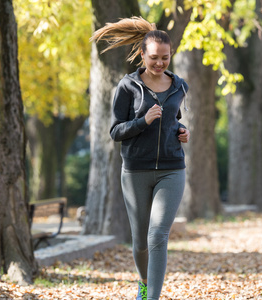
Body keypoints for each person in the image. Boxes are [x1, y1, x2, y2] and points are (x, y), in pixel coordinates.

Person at [90, 17, 190, 300]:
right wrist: (142, 121)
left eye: (165, 58)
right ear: (143, 54)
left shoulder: (179, 86)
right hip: (135, 171)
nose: (160, 63)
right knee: (140, 242)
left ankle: (152, 298)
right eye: (154, 57)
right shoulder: (128, 86)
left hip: (172, 169)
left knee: (158, 236)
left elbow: (173, 122)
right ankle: (144, 282)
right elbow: (115, 131)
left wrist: (182, 131)